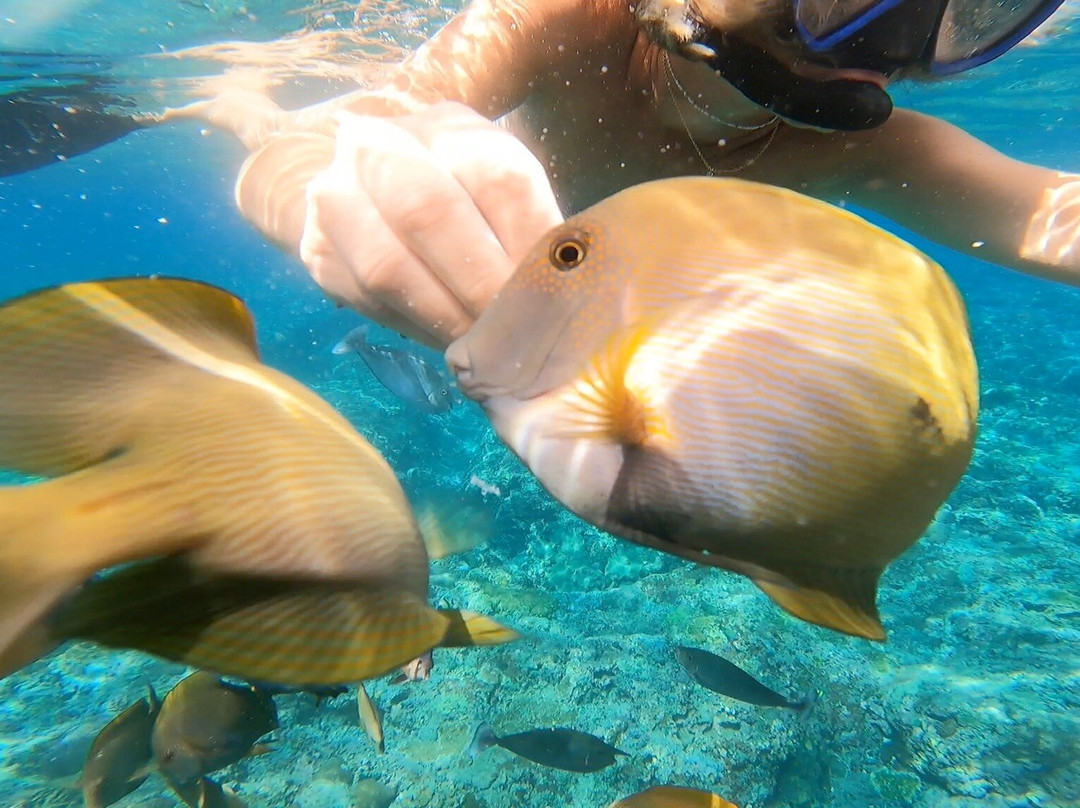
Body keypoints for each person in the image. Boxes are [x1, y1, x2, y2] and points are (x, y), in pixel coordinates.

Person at [167, 0, 1080, 349]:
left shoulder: (873, 150)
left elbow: (1053, 214)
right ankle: (241, 96)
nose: (901, 38)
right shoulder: (562, 20)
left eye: (978, 12)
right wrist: (309, 195)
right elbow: (363, 137)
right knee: (270, 124)